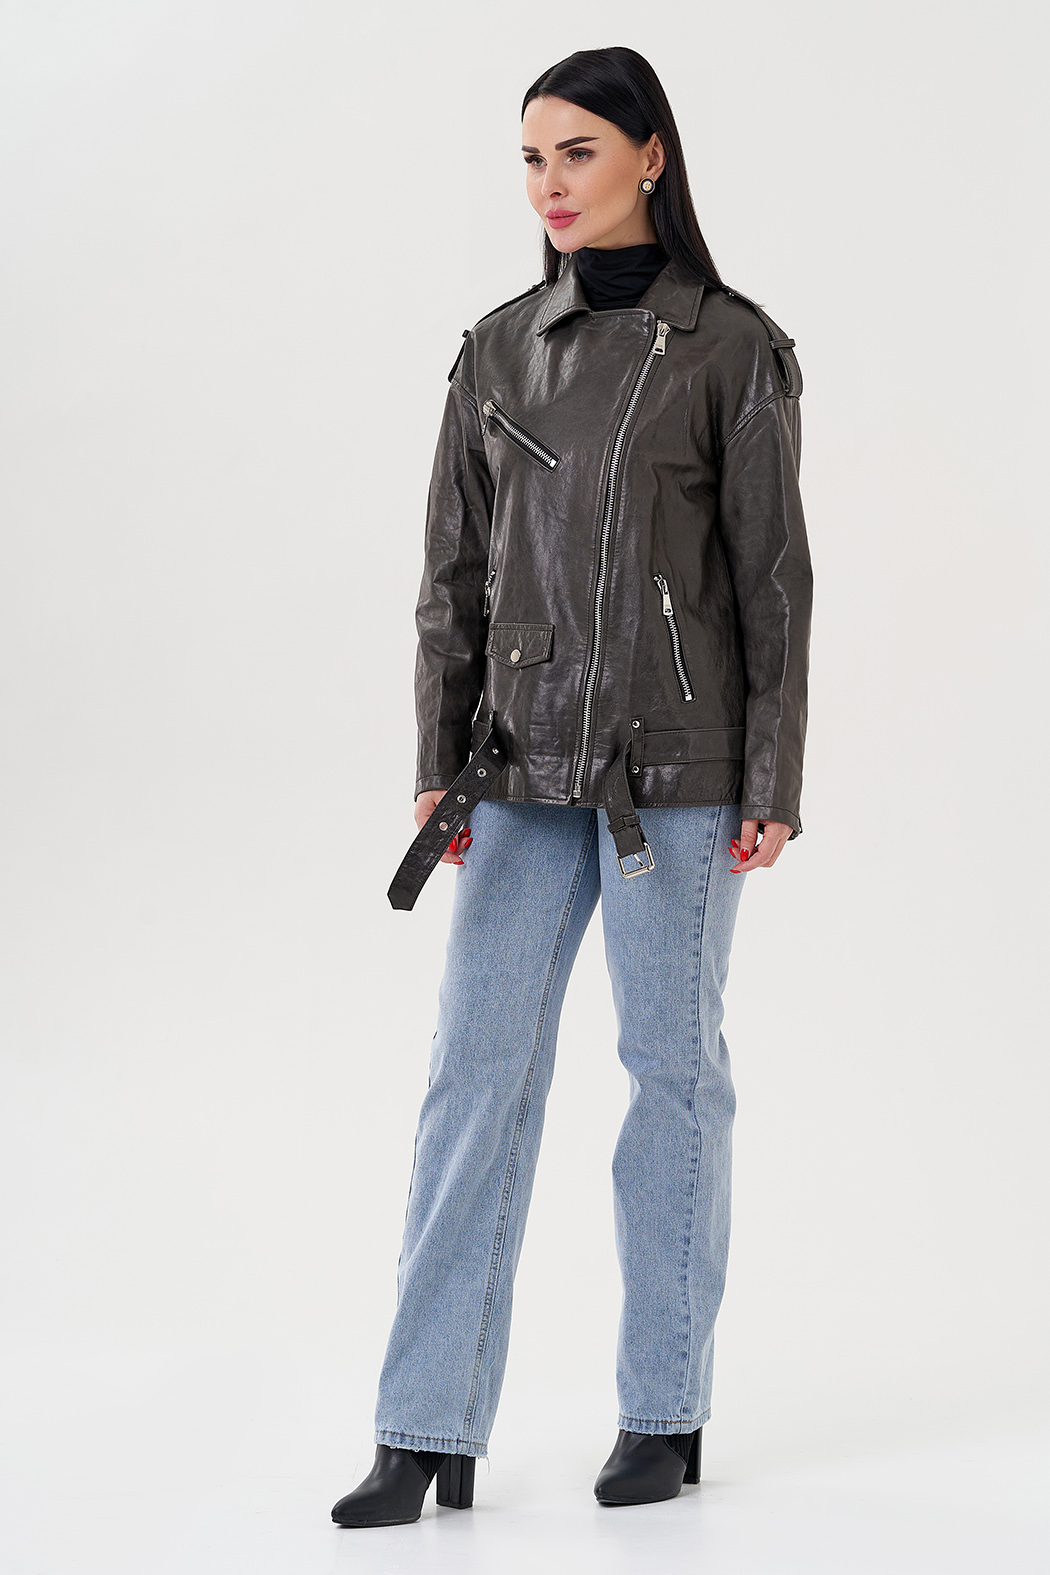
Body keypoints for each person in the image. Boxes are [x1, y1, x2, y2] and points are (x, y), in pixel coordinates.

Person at [332, 44, 813, 1528]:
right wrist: (439, 769)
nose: (550, 183)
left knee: (670, 1079)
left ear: (651, 157)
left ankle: (662, 1410)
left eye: (579, 152)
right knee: (471, 1080)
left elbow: (771, 582)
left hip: (678, 774)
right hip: (517, 767)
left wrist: (771, 774)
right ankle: (424, 1428)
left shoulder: (731, 347)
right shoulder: (494, 350)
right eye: (532, 159)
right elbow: (451, 581)